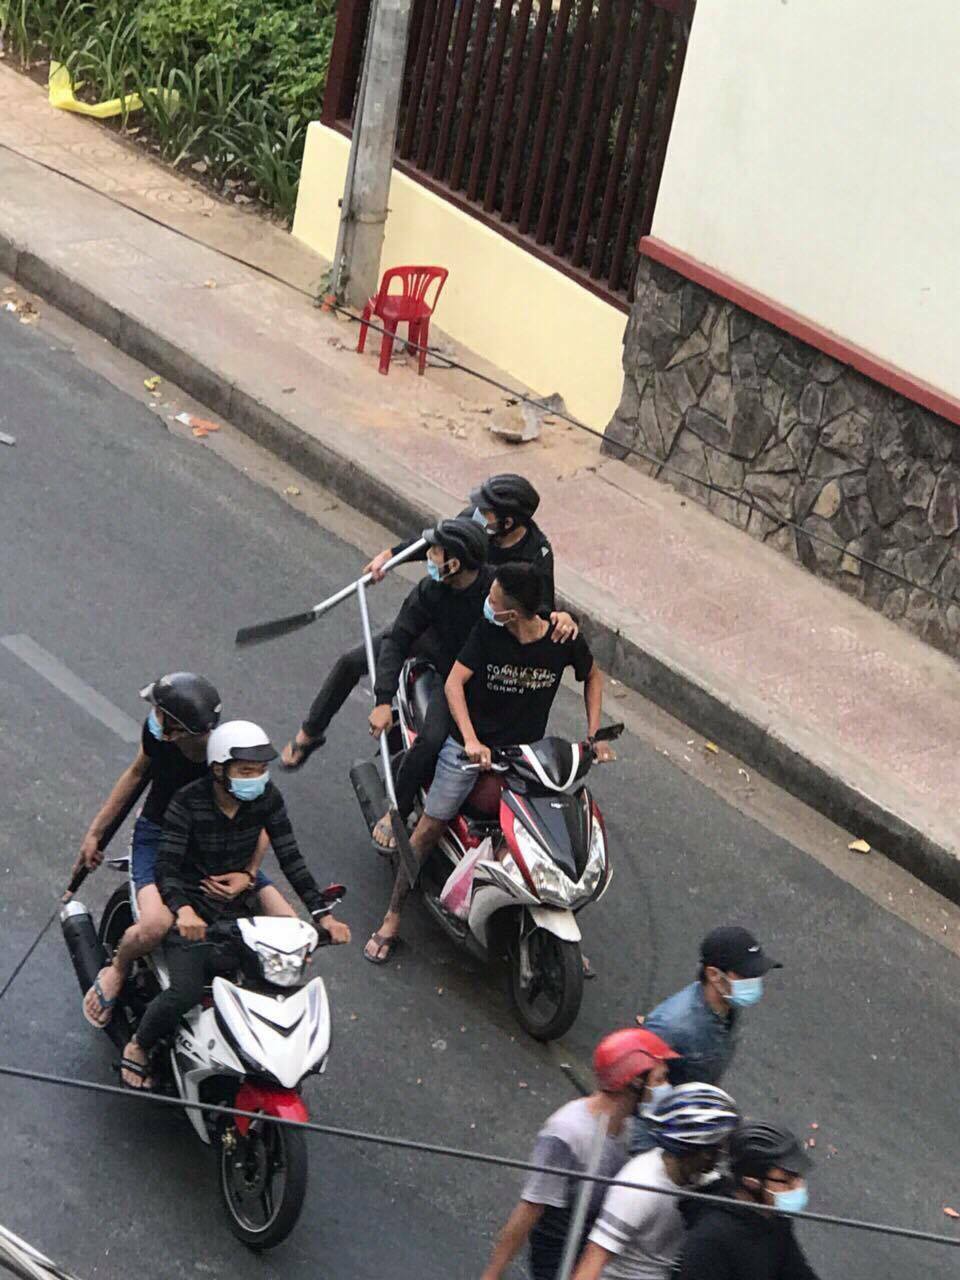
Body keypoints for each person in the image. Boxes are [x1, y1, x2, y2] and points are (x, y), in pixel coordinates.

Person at [364, 560, 611, 963]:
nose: (487, 603)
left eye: (494, 600)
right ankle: (392, 917)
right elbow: (454, 684)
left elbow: (593, 677)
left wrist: (594, 734)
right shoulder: (488, 631)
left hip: (525, 757)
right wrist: (471, 740)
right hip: (468, 749)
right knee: (428, 829)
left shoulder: (561, 638)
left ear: (513, 613)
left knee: (552, 835)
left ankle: (554, 926)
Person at [119, 721, 350, 1089]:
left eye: (260, 770)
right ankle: (139, 1044)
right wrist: (184, 911)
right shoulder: (187, 802)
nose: (256, 778)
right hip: (192, 911)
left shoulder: (267, 798)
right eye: (245, 771)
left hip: (239, 908)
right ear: (218, 770)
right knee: (186, 991)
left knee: (276, 981)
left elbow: (291, 858)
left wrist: (324, 915)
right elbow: (167, 868)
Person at [281, 474, 555, 770]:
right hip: (434, 626)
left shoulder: (535, 556)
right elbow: (437, 545)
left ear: (508, 522)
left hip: (471, 645)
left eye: (487, 510)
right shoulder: (442, 571)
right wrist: (391, 556)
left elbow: (540, 608)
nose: (478, 513)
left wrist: (560, 621)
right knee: (351, 662)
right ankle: (309, 733)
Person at [75, 674, 290, 1029]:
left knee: (291, 929)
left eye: (162, 715)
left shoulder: (230, 757)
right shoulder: (159, 738)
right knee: (155, 925)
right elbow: (136, 774)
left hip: (218, 845)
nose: (154, 720)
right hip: (158, 839)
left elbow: (265, 819)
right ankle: (117, 968)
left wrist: (248, 874)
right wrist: (95, 834)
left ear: (184, 730)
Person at [367, 517, 577, 850]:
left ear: (454, 564)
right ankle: (398, 811)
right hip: (454, 679)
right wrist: (382, 701)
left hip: (496, 682)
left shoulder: (499, 589)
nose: (429, 557)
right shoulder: (430, 591)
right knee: (432, 740)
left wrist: (564, 619)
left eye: (435, 551)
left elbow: (537, 610)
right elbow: (398, 640)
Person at [481, 1029, 680, 1280]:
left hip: (590, 1248)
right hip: (558, 1258)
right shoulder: (566, 1133)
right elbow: (529, 1210)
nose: (666, 1088)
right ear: (635, 1082)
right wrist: (492, 1275)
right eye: (660, 1079)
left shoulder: (625, 1127)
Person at [630, 927, 782, 1154]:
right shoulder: (671, 1026)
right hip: (660, 1139)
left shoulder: (728, 1007)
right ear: (714, 975)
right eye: (745, 976)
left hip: (692, 1126)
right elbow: (636, 1094)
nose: (755, 981)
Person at [571, 1084, 740, 1280]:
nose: (719, 1157)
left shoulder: (705, 1179)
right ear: (689, 1148)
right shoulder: (638, 1188)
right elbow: (592, 1263)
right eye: (713, 1150)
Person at [677, 1122, 819, 1279]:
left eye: (798, 1177)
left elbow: (795, 1271)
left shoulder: (774, 1216)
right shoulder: (709, 1241)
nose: (798, 1186)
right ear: (752, 1182)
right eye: (786, 1180)